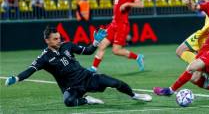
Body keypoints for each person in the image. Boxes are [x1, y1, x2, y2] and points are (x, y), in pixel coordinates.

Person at [5, 27, 152, 107]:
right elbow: (30, 70)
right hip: (72, 87)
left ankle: (135, 95)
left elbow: (88, 51)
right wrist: (16, 78)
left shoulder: (67, 45)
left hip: (87, 77)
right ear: (47, 40)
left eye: (59, 37)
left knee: (116, 83)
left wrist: (95, 43)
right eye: (55, 39)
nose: (59, 40)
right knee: (68, 102)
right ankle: (86, 100)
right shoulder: (44, 58)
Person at [89, 0, 145, 72]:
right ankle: (93, 68)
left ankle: (137, 57)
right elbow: (117, 8)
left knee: (116, 50)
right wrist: (115, 16)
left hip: (122, 26)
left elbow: (141, 4)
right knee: (102, 45)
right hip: (113, 24)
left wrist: (127, 4)